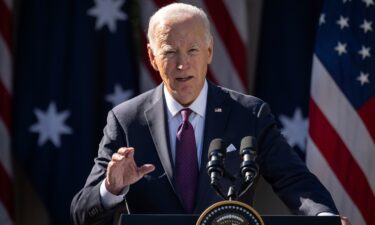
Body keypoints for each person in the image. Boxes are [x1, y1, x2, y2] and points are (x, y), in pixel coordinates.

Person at [71, 3, 350, 225]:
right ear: (153, 57)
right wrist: (111, 189)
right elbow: (81, 213)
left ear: (210, 50)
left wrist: (324, 219)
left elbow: (295, 180)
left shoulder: (248, 114)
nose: (183, 64)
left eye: (192, 50)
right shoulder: (126, 120)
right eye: (170, 52)